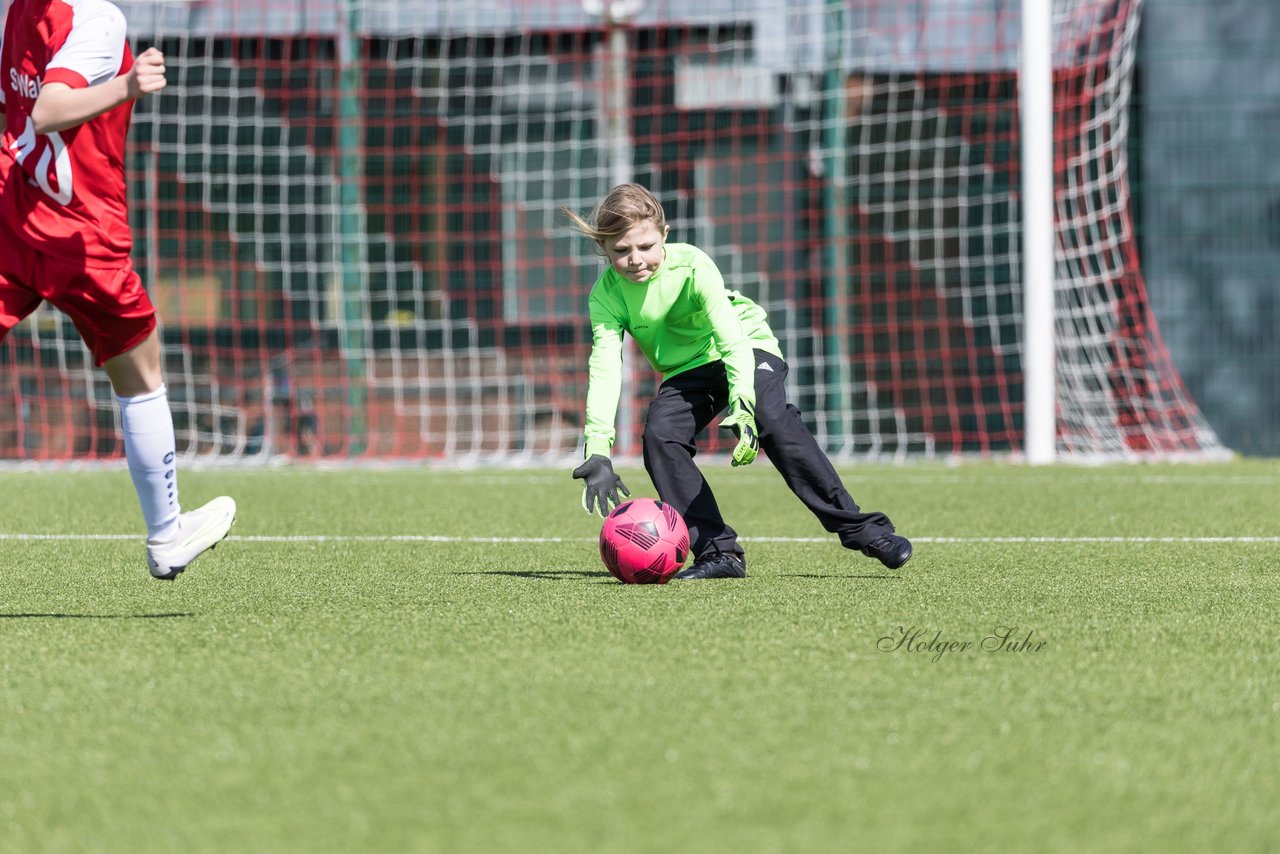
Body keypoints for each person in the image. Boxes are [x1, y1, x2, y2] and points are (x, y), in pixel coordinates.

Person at [564, 183, 911, 579]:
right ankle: (718, 553)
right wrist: (598, 449)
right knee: (660, 436)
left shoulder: (692, 264)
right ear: (605, 251)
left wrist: (742, 402)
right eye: (621, 251)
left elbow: (729, 336)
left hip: (745, 346)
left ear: (664, 234)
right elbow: (606, 365)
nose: (635, 259)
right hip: (687, 370)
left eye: (644, 246)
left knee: (771, 417)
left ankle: (864, 531)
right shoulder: (605, 296)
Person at [0, 0, 235, 579]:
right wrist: (128, 84)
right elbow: (50, 110)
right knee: (141, 370)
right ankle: (166, 535)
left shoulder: (16, 12)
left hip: (12, 215)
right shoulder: (96, 19)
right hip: (81, 233)